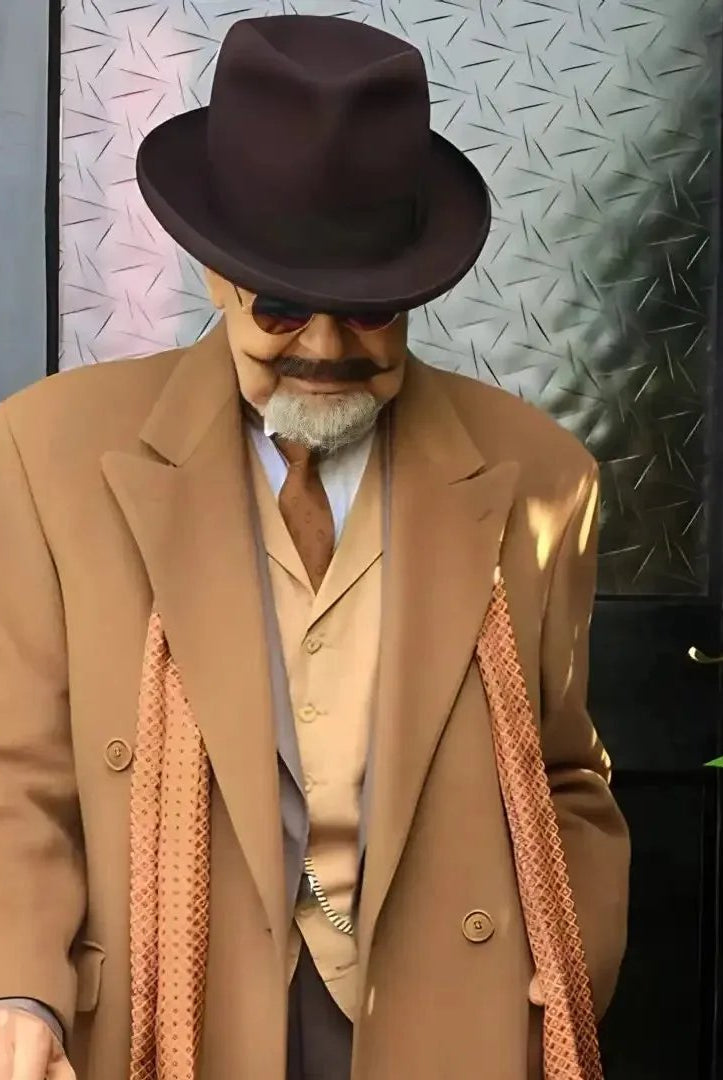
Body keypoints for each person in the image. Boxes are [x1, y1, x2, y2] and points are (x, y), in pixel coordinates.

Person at [0, 14, 630, 1080]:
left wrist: (566, 968)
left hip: (446, 1020)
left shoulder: (541, 474)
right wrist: (21, 991)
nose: (329, 351)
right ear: (214, 274)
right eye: (284, 309)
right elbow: (22, 774)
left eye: (371, 311)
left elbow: (568, 772)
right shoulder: (50, 451)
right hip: (165, 1019)